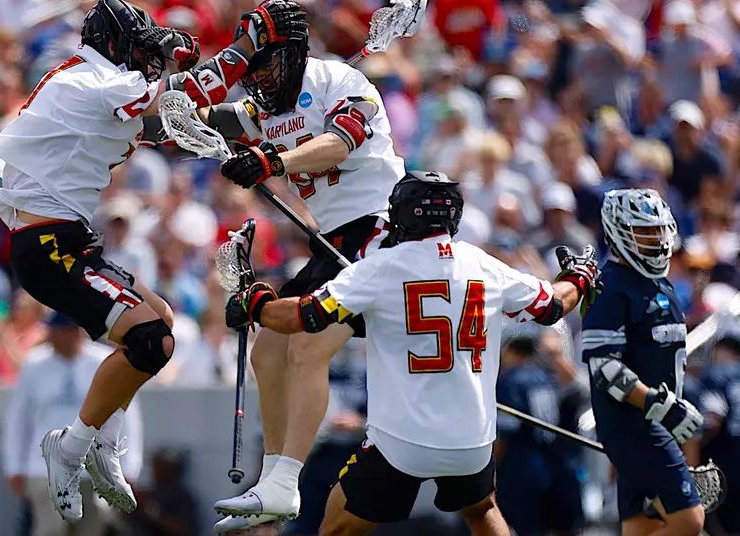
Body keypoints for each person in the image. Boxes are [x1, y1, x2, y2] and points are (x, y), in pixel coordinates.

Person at [0, 0, 307, 521]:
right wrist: (243, 47)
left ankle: (105, 440)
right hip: (48, 245)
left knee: (163, 322)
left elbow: (164, 125)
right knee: (152, 342)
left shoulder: (89, 83)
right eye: (140, 50)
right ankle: (71, 445)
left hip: (61, 239)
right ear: (114, 45)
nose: (147, 61)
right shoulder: (92, 82)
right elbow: (181, 102)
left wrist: (240, 121)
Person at [222, 171, 600, 535]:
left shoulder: (380, 267)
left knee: (336, 525)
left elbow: (303, 317)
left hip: (400, 443)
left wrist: (255, 302)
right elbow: (552, 305)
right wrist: (579, 277)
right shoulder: (483, 263)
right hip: (471, 442)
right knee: (482, 508)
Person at [202, 2, 406, 527]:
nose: (261, 78)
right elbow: (207, 120)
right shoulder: (262, 106)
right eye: (254, 69)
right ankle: (274, 480)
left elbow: (338, 144)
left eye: (267, 64)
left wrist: (272, 161)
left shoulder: (343, 80)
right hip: (331, 242)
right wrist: (159, 118)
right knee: (268, 348)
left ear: (292, 54)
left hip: (381, 233)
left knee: (309, 344)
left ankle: (288, 477)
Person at [580, 188, 706, 536]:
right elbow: (604, 368)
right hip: (634, 426)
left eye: (659, 230)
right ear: (618, 231)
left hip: (655, 423)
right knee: (688, 521)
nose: (656, 240)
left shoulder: (660, 283)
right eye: (644, 231)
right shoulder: (610, 286)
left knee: (641, 528)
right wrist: (657, 404)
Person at [2, 312, 142, 536]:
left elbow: (126, 415)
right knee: (50, 530)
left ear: (74, 332)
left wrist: (129, 466)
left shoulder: (104, 361)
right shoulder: (34, 365)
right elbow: (18, 419)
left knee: (91, 530)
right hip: (45, 468)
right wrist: (14, 465)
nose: (51, 336)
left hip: (94, 470)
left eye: (58, 331)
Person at [495, 335, 583, 536]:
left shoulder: (510, 380)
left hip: (521, 467)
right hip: (552, 463)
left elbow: (504, 435)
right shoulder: (545, 377)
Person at [690, 335, 740, 536]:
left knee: (719, 524)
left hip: (722, 457)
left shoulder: (717, 375)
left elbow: (714, 419)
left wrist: (695, 448)